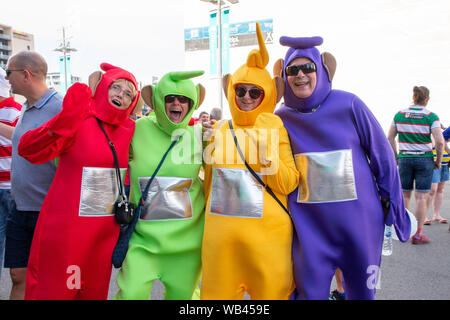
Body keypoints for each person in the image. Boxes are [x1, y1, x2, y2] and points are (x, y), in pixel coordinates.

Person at [274, 36, 410, 300]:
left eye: (308, 68)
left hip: (361, 226)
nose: (300, 75)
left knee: (363, 293)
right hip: (308, 231)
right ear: (283, 75)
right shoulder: (280, 117)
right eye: (292, 70)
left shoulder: (349, 104)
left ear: (321, 70)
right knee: (308, 293)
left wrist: (394, 205)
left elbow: (382, 155)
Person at [18, 63, 141, 299]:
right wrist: (64, 120)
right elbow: (28, 149)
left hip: (104, 233)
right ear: (103, 87)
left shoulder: (131, 129)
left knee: (92, 294)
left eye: (129, 94)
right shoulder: (80, 118)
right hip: (66, 231)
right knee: (54, 291)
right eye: (116, 87)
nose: (121, 96)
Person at [200, 23, 299, 300]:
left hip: (267, 245)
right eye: (240, 90)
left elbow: (290, 182)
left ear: (267, 94)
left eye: (255, 92)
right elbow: (209, 185)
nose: (246, 97)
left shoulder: (275, 127)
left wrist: (268, 157)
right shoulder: (219, 130)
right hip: (221, 247)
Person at [115, 70, 206, 300]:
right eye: (169, 98)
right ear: (157, 100)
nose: (177, 103)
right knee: (130, 295)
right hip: (143, 243)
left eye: (183, 99)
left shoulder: (201, 135)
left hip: (187, 246)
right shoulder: (137, 129)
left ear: (192, 103)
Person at [2, 51, 63, 300]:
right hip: (19, 208)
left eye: (9, 73)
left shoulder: (60, 107)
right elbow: (22, 140)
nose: (7, 79)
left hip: (46, 212)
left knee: (47, 279)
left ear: (26, 74)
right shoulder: (26, 108)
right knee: (18, 274)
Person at [388, 86, 444, 244]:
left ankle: (405, 230)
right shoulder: (431, 116)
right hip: (424, 159)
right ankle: (418, 234)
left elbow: (389, 138)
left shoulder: (399, 115)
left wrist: (396, 157)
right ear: (427, 99)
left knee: (405, 196)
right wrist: (438, 161)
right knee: (421, 197)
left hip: (405, 158)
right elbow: (439, 141)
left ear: (413, 97)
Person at [0, 68, 22, 281]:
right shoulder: (17, 109)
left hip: (11, 187)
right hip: (11, 185)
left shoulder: (16, 109)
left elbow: (22, 140)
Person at [424, 134, 449, 225]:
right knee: (432, 190)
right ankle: (423, 216)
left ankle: (436, 215)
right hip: (434, 162)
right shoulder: (433, 130)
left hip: (445, 162)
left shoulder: (444, 131)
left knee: (440, 190)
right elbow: (433, 144)